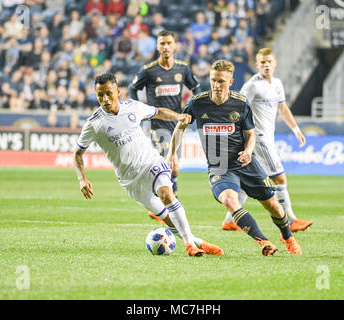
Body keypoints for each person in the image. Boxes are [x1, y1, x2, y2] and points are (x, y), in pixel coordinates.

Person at [74, 73, 223, 257]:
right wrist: (82, 178)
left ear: (118, 91)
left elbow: (158, 112)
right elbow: (78, 154)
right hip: (130, 180)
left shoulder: (133, 107)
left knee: (166, 194)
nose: (105, 99)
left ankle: (189, 246)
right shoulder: (94, 123)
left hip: (151, 162)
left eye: (109, 93)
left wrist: (179, 117)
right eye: (100, 95)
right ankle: (196, 241)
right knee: (167, 218)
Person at [167, 60, 302, 256]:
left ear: (230, 82)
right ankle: (263, 241)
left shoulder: (240, 103)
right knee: (229, 200)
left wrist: (248, 151)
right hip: (219, 167)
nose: (216, 85)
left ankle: (288, 237)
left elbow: (251, 135)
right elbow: (180, 128)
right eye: (213, 80)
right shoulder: (197, 103)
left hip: (246, 163)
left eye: (221, 81)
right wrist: (172, 154)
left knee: (272, 205)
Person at [221, 48, 313, 233]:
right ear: (257, 65)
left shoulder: (277, 84)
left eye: (269, 61)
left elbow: (283, 108)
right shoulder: (252, 85)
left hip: (267, 137)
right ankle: (290, 220)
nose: (266, 65)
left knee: (250, 179)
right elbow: (237, 107)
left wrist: (296, 129)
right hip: (259, 138)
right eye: (262, 62)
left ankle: (230, 219)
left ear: (274, 63)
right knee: (279, 177)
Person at [128, 30, 201, 223]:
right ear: (157, 46)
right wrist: (140, 111)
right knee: (169, 164)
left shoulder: (183, 69)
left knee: (175, 168)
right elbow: (132, 88)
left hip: (177, 124)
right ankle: (166, 204)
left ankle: (165, 201)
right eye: (162, 43)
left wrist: (193, 108)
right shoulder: (149, 70)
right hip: (157, 125)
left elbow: (197, 88)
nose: (166, 47)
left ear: (175, 45)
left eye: (169, 43)